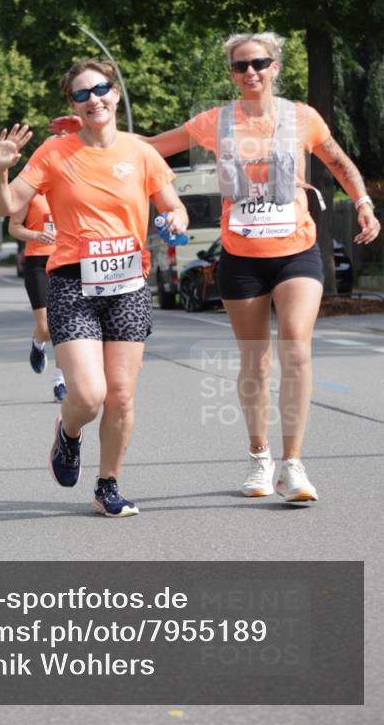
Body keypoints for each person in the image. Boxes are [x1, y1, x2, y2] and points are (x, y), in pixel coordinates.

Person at [143, 32, 381, 505]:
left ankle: (293, 466)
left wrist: (364, 202)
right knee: (256, 360)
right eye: (240, 66)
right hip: (241, 257)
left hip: (296, 250)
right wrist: (92, 137)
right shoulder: (216, 121)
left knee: (296, 348)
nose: (250, 72)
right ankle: (259, 456)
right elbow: (151, 148)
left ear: (275, 67)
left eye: (259, 63)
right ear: (231, 73)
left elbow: (338, 161)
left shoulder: (302, 118)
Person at [0, 59, 188, 517]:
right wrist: (0, 170)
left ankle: (108, 484)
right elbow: (8, 206)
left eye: (100, 89)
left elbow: (173, 205)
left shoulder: (140, 152)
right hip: (72, 283)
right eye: (82, 94)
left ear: (115, 94)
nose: (93, 99)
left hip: (128, 285)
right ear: (73, 106)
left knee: (120, 395)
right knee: (88, 395)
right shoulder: (55, 152)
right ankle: (69, 432)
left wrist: (175, 217)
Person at [8, 193, 67, 402]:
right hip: (38, 263)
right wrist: (35, 235)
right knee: (46, 328)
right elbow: (14, 227)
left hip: (65, 261)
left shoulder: (67, 189)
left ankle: (60, 382)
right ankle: (38, 342)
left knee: (63, 325)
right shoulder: (30, 194)